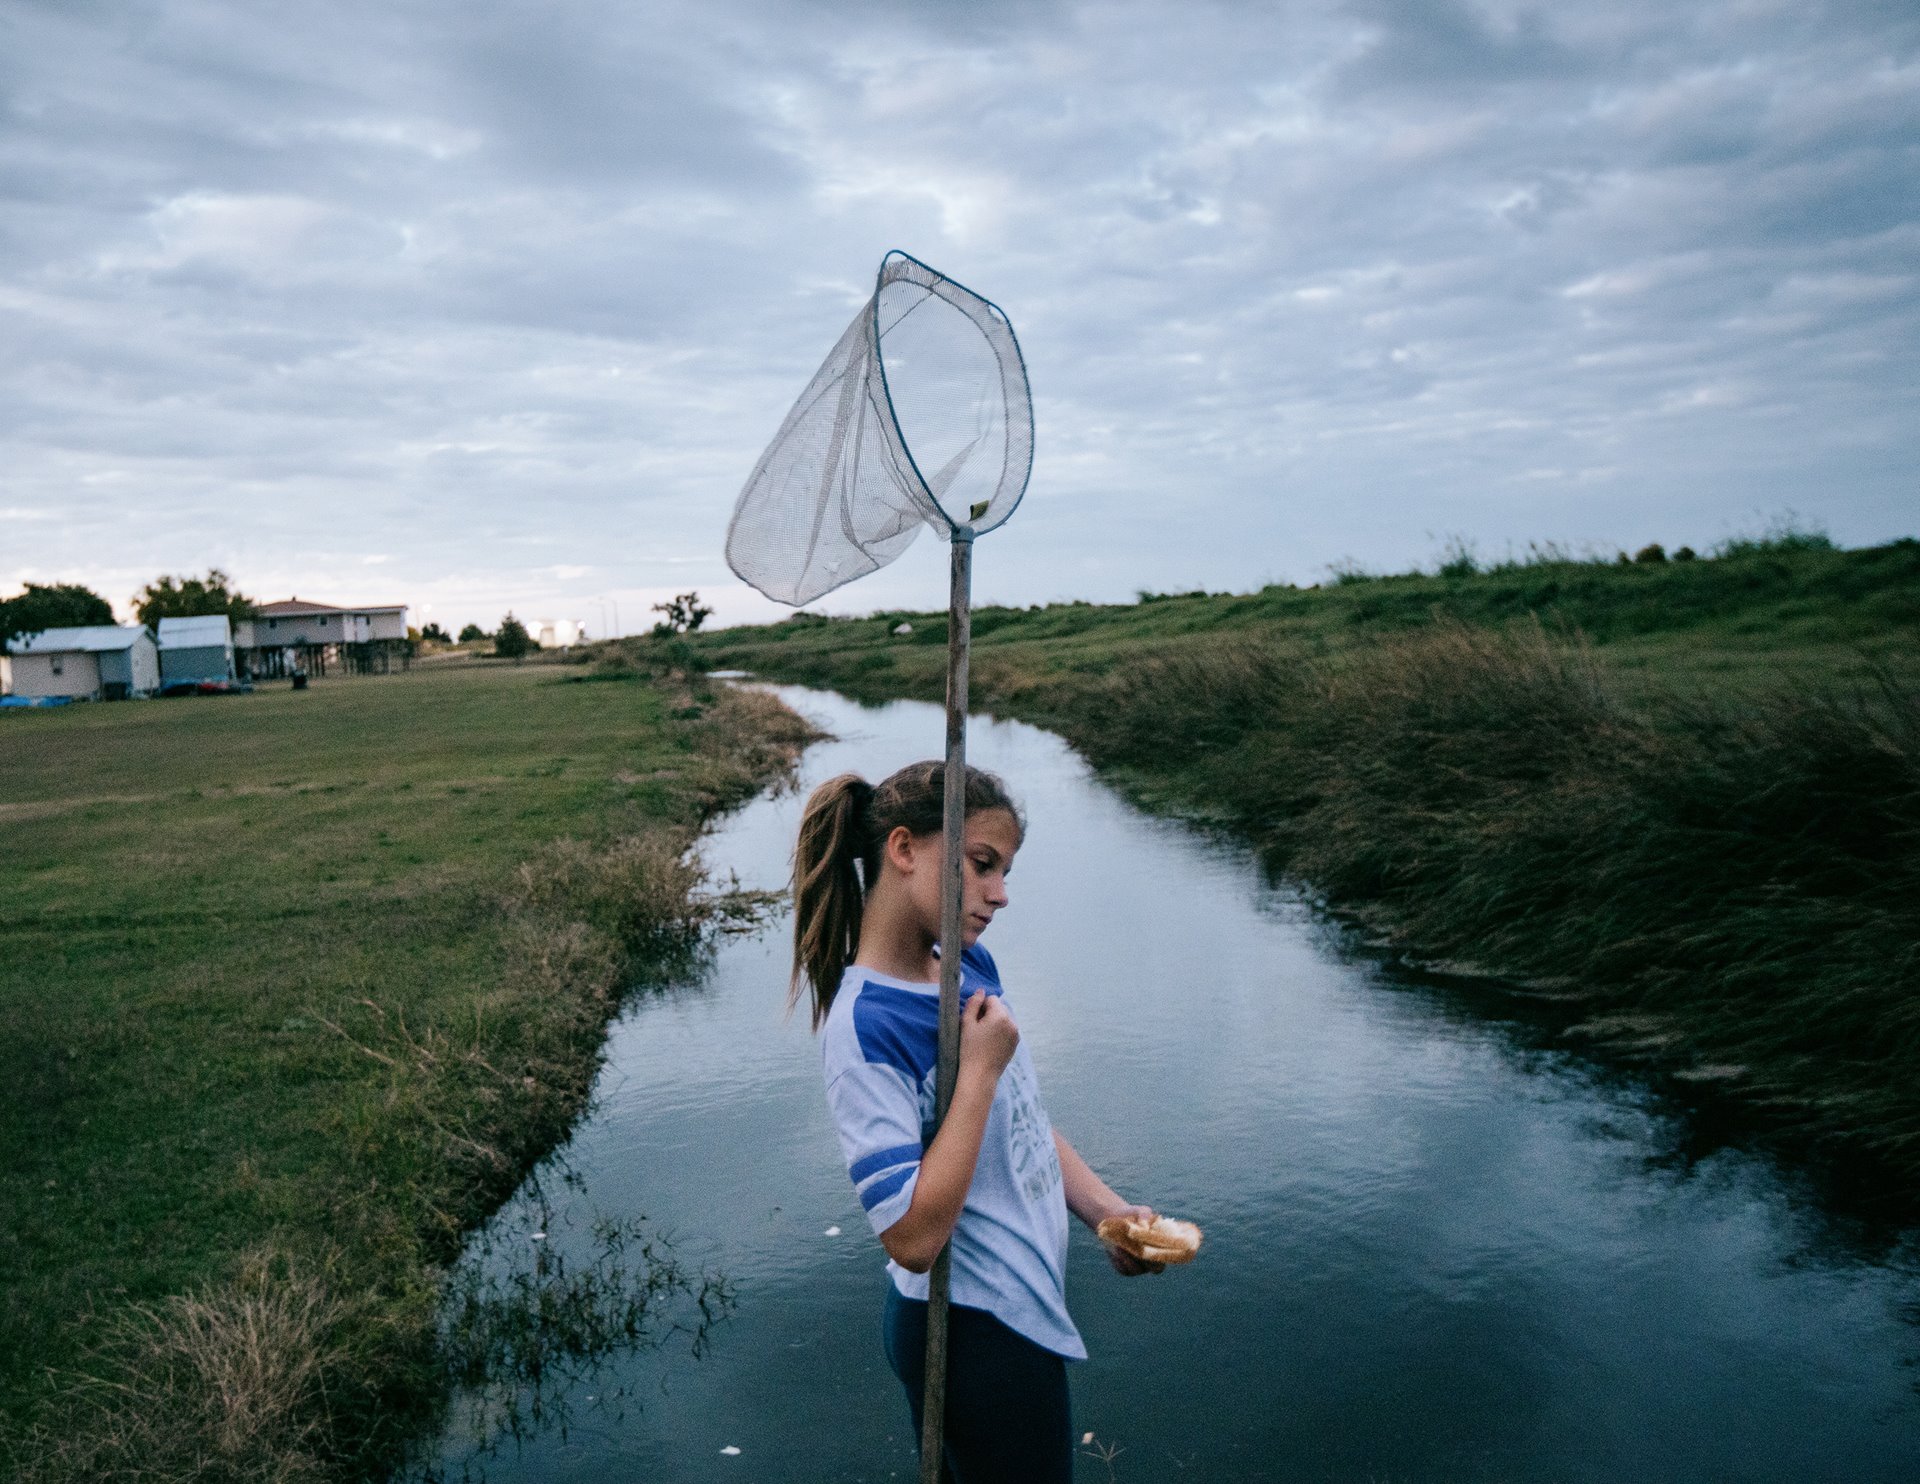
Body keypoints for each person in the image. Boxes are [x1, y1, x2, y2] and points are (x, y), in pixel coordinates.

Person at [790, 760, 1162, 1483]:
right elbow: (912, 1236)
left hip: (1015, 1311)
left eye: (1004, 871)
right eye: (982, 865)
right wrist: (981, 1070)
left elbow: (1019, 1127)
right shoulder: (867, 1026)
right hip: (964, 1331)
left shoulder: (968, 966)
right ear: (903, 849)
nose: (1000, 895)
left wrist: (1107, 1214)